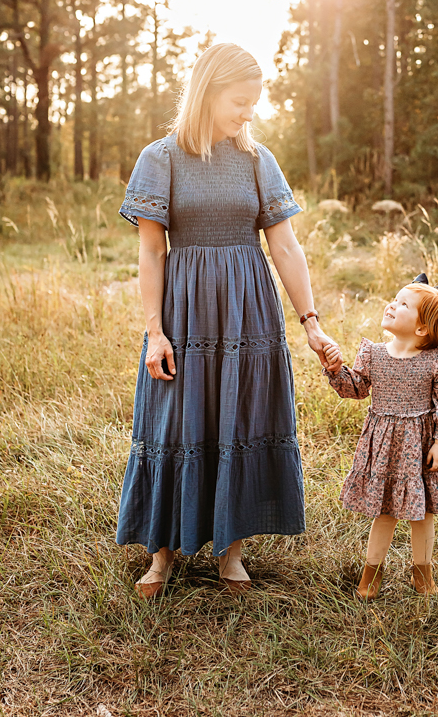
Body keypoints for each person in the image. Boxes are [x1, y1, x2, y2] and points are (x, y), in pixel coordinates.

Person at [116, 43, 340, 597]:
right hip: (183, 313)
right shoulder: (160, 159)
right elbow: (151, 252)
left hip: (247, 311)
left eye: (255, 103)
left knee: (239, 417)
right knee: (175, 421)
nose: (248, 113)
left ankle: (231, 550)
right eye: (240, 101)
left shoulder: (258, 160)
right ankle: (161, 554)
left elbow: (285, 246)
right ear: (208, 91)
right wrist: (154, 330)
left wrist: (311, 321)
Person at [323, 273, 438, 601]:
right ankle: (371, 574)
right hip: (384, 444)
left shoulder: (435, 359)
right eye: (395, 298)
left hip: (421, 444)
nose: (392, 304)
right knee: (384, 512)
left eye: (404, 304)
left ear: (421, 329)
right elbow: (356, 388)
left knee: (423, 513)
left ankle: (423, 574)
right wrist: (335, 371)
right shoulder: (373, 353)